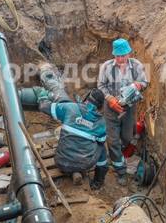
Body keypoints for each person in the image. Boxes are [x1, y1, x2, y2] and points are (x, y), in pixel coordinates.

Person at [98, 38, 149, 185]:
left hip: (129, 107)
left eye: (123, 55)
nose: (120, 59)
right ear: (114, 55)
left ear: (128, 53)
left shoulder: (137, 66)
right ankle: (120, 170)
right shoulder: (106, 67)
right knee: (112, 140)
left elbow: (145, 83)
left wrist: (138, 85)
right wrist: (110, 99)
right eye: (117, 56)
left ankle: (118, 153)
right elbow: (101, 86)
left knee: (127, 137)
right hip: (111, 107)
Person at [37, 88, 109, 189]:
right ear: (100, 106)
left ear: (86, 98)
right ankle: (98, 182)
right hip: (83, 165)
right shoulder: (101, 122)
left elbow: (44, 107)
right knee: (101, 146)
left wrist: (42, 95)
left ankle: (71, 164)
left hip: (61, 162)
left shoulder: (70, 108)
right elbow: (101, 141)